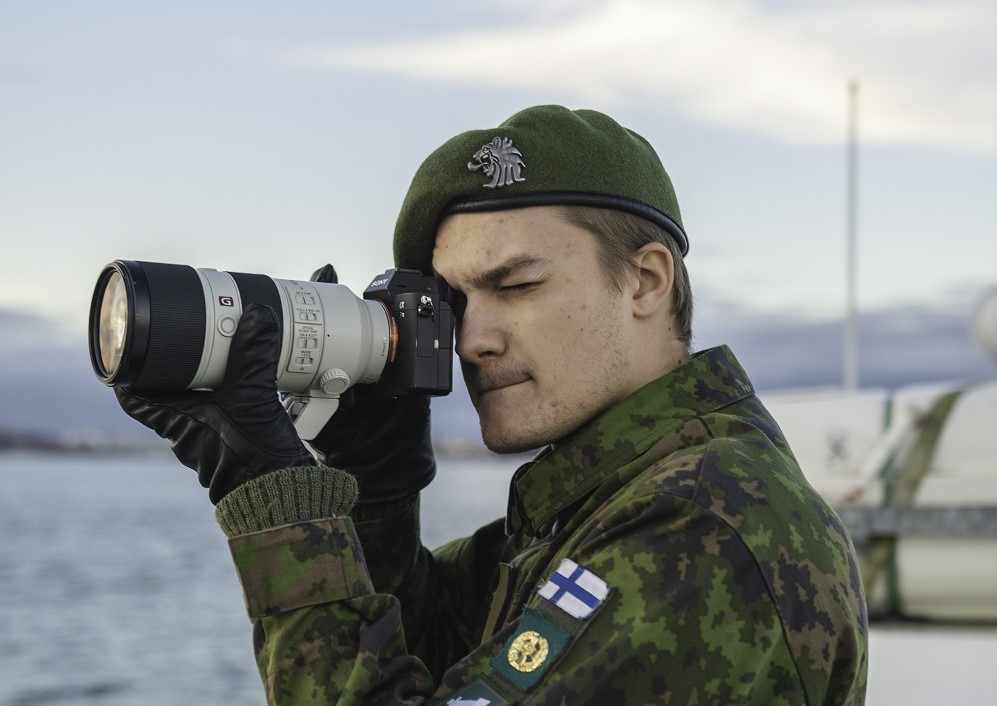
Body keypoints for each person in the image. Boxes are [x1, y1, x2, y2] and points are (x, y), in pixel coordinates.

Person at [116, 105, 868, 704]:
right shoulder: (603, 503)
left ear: (645, 281)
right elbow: (434, 661)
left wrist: (278, 507)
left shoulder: (701, 522)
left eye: (515, 286)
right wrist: (376, 489)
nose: (471, 339)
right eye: (451, 301)